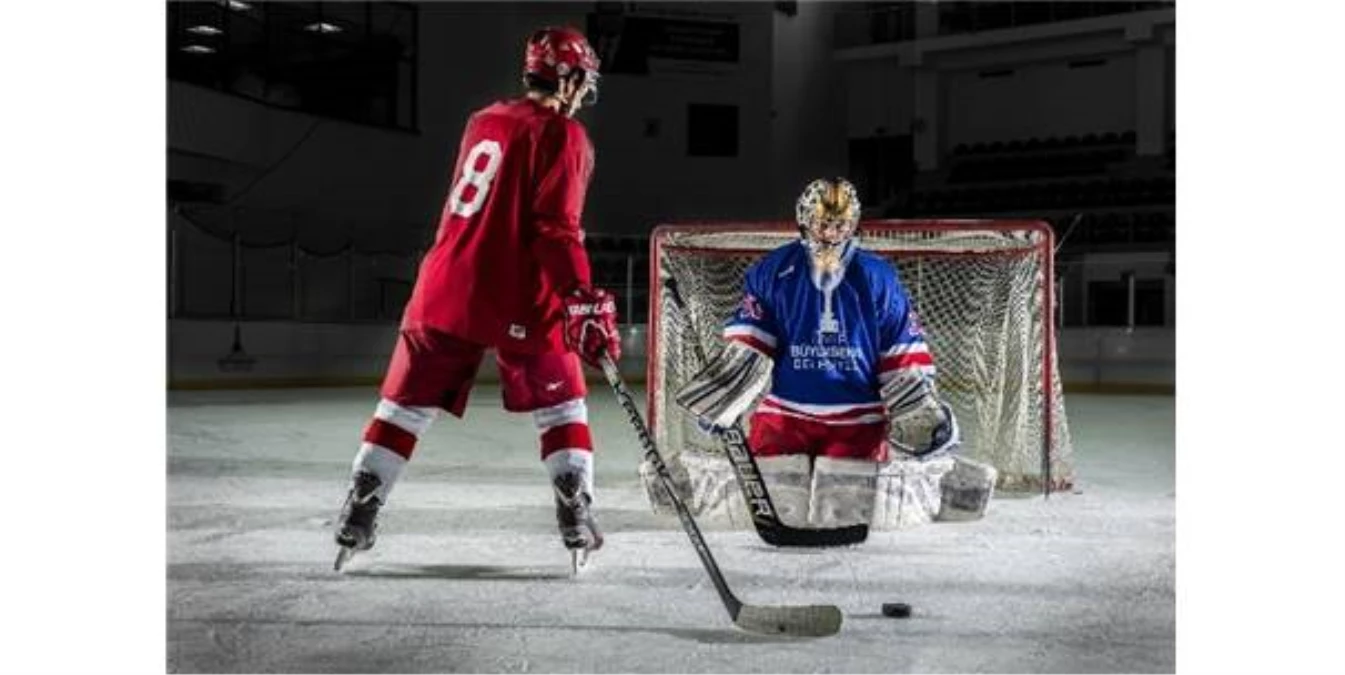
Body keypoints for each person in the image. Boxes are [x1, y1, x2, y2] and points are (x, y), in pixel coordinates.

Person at [334, 27, 620, 570]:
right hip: (517, 292)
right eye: (582, 79)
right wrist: (578, 295)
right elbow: (554, 229)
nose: (586, 90)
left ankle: (360, 509)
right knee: (562, 406)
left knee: (404, 409)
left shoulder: (482, 120)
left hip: (442, 285)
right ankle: (575, 510)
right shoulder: (564, 134)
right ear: (570, 77)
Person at [674, 178, 961, 529]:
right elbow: (751, 344)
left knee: (849, 512)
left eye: (840, 224)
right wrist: (726, 394)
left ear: (854, 223)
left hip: (858, 423)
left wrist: (922, 411)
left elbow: (900, 352)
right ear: (804, 219)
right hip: (785, 416)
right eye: (823, 222)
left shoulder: (878, 276)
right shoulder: (772, 270)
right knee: (766, 504)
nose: (831, 232)